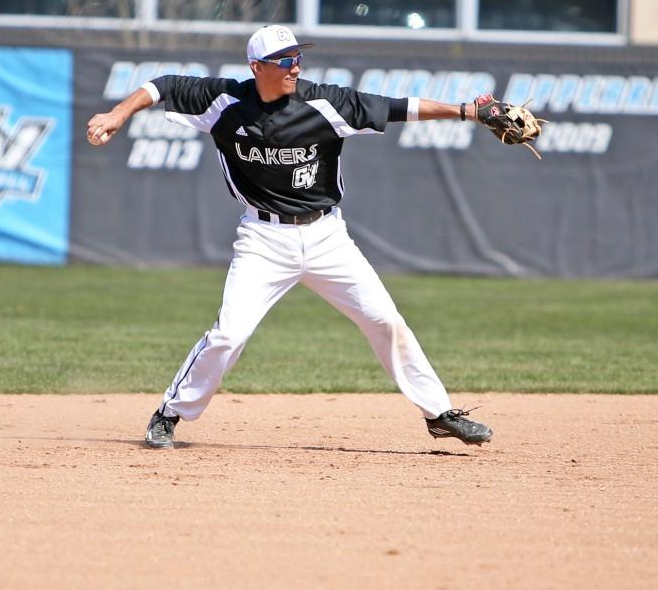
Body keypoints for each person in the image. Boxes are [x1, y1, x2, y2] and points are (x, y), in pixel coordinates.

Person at [86, 24, 493, 450]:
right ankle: (168, 414)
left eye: (298, 57)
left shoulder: (324, 102)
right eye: (284, 60)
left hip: (326, 237)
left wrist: (467, 111)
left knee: (385, 320)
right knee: (229, 335)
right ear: (257, 67)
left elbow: (398, 107)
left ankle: (439, 413)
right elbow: (164, 86)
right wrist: (118, 114)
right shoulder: (225, 101)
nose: (294, 66)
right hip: (263, 239)